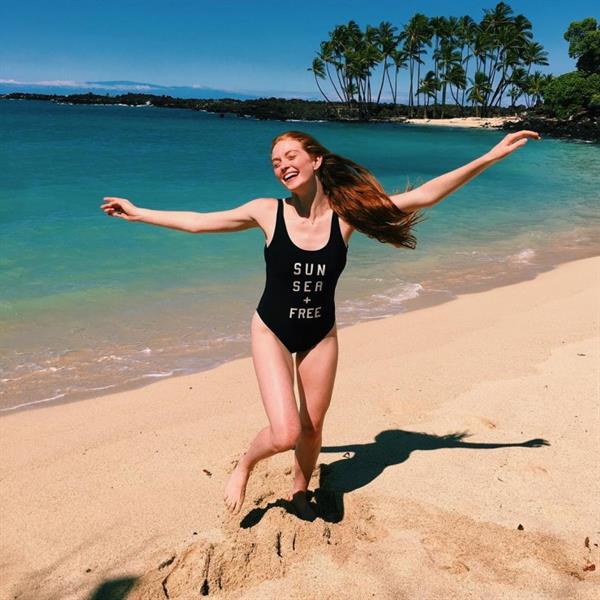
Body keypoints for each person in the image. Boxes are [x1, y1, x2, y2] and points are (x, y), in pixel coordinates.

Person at [100, 128, 540, 519]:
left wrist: (490, 156)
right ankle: (245, 465)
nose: (282, 166)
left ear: (316, 161)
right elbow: (198, 223)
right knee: (286, 431)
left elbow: (423, 195)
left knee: (311, 427)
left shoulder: (346, 216)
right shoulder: (266, 212)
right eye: (275, 162)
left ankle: (299, 489)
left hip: (320, 334)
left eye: (290, 156)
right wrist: (140, 212)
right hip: (272, 330)